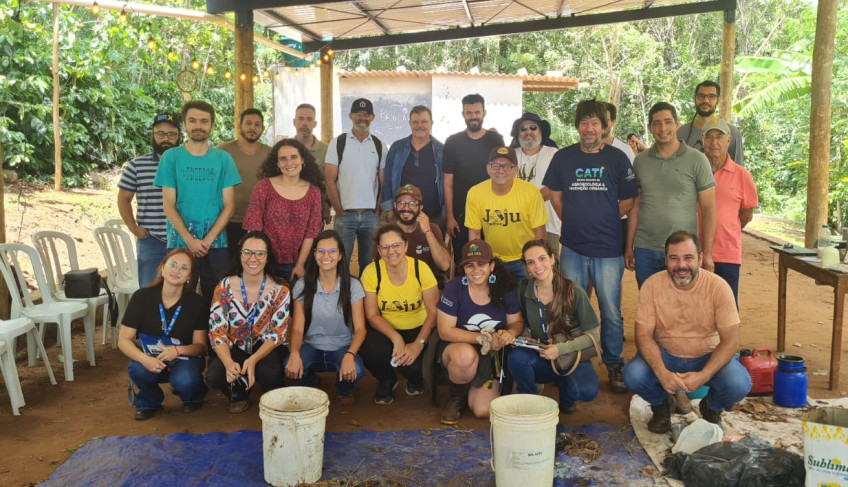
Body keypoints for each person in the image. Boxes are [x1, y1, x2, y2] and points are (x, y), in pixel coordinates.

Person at [543, 99, 638, 394]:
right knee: (570, 307)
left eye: (595, 123)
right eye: (584, 122)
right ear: (577, 126)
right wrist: (573, 220)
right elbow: (555, 195)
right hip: (573, 247)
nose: (589, 128)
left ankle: (613, 362)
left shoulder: (618, 159)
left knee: (610, 310)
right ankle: (575, 360)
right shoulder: (563, 157)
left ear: (604, 127)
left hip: (608, 249)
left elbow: (628, 201)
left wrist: (603, 218)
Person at [622, 230, 752, 433]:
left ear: (700, 258)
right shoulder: (652, 285)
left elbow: (731, 340)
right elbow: (643, 335)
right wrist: (662, 373)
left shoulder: (718, 287)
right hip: (666, 355)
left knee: (739, 384)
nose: (681, 265)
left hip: (707, 356)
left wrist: (703, 376)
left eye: (688, 258)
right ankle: (661, 405)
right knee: (633, 375)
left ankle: (711, 408)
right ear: (665, 259)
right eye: (674, 258)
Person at [153, 100, 242, 302]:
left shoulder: (224, 159)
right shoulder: (171, 157)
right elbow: (169, 205)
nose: (198, 126)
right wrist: (190, 240)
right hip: (180, 243)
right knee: (178, 299)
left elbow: (230, 206)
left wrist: (207, 240)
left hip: (216, 244)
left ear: (212, 125)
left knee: (219, 300)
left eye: (204, 121)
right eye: (192, 121)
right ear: (185, 124)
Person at [625, 102, 716, 288]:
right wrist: (629, 246)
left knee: (683, 302)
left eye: (668, 122)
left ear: (677, 124)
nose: (663, 128)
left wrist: (707, 253)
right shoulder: (640, 162)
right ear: (650, 128)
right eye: (657, 123)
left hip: (684, 251)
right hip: (646, 249)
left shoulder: (697, 160)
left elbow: (709, 209)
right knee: (650, 301)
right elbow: (636, 206)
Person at [508, 240, 600, 414]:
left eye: (542, 258)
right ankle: (530, 403)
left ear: (552, 259)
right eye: (531, 262)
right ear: (527, 267)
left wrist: (560, 349)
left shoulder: (573, 291)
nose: (537, 266)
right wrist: (527, 337)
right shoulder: (523, 290)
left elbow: (594, 335)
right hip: (542, 356)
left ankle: (567, 397)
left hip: (571, 357)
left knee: (585, 391)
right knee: (517, 358)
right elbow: (523, 323)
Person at [437, 239, 522, 424]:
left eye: (481, 264)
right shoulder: (454, 288)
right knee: (464, 357)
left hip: (491, 353)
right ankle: (457, 397)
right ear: (464, 268)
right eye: (470, 265)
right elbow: (444, 331)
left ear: (491, 266)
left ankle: (473, 387)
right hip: (458, 346)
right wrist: (483, 338)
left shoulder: (506, 288)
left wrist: (510, 333)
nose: (476, 270)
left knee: (483, 410)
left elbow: (516, 322)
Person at [117, 249, 208, 420]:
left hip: (183, 357)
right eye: (172, 265)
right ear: (163, 268)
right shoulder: (141, 297)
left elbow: (200, 346)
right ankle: (148, 401)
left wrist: (178, 351)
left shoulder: (197, 303)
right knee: (138, 369)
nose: (177, 270)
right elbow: (124, 340)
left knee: (184, 380)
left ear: (190, 276)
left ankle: (193, 396)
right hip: (150, 356)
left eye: (184, 268)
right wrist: (145, 359)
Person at [207, 231, 290, 413]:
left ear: (267, 257)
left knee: (269, 373)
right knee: (214, 376)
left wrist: (253, 359)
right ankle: (238, 393)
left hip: (266, 346)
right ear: (240, 254)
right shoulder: (224, 286)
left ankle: (270, 391)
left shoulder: (280, 289)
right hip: (235, 344)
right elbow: (217, 331)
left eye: (260, 253)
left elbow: (277, 334)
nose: (253, 259)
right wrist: (228, 362)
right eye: (247, 252)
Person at [359, 224, 439, 405]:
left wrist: (418, 344)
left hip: (418, 327)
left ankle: (415, 379)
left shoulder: (420, 268)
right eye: (385, 247)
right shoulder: (372, 271)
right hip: (386, 329)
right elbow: (372, 315)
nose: (391, 251)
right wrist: (396, 338)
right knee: (370, 349)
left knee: (414, 367)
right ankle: (386, 379)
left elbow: (433, 312)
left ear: (405, 245)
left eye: (396, 245)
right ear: (379, 250)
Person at [285, 230, 367, 405]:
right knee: (289, 366)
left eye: (332, 251)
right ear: (314, 254)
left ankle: (344, 389)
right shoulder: (302, 285)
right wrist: (294, 353)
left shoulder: (353, 286)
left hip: (342, 347)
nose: (326, 256)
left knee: (358, 370)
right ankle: (310, 382)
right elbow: (297, 328)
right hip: (311, 346)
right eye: (320, 251)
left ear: (340, 255)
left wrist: (350, 354)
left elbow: (360, 329)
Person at [243, 139, 324, 281]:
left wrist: (300, 265)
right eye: (283, 159)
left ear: (303, 160)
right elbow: (253, 228)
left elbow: (311, 232)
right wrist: (258, 260)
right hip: (265, 262)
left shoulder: (314, 192)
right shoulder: (264, 187)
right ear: (277, 163)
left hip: (299, 263)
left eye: (294, 157)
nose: (289, 162)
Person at [325, 98, 388, 275]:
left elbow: (383, 182)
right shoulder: (338, 143)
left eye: (366, 115)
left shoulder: (380, 146)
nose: (362, 118)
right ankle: (345, 294)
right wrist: (339, 211)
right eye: (358, 114)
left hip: (370, 217)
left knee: (369, 267)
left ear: (372, 117)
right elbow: (329, 180)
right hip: (345, 215)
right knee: (340, 265)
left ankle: (366, 294)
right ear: (351, 116)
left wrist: (377, 212)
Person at [118, 112, 181, 287]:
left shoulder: (188, 165)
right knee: (149, 290)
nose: (165, 138)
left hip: (183, 239)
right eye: (160, 133)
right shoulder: (137, 166)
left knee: (182, 292)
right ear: (153, 135)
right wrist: (133, 227)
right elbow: (123, 199)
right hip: (151, 240)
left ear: (179, 136)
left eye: (171, 134)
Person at [466, 146, 547, 280]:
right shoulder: (475, 193)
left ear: (516, 170)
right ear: (488, 168)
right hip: (493, 259)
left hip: (523, 259)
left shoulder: (531, 193)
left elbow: (540, 232)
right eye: (495, 165)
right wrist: (480, 263)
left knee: (527, 293)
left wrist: (534, 262)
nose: (501, 170)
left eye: (507, 166)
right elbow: (474, 234)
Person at [701, 118, 758, 304]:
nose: (714, 142)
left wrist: (726, 229)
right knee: (697, 307)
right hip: (695, 251)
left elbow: (746, 215)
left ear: (729, 141)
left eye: (719, 137)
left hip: (727, 253)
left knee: (727, 306)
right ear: (702, 141)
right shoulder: (693, 172)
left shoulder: (742, 175)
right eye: (709, 137)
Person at [443, 94, 505, 263]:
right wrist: (450, 216)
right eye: (469, 113)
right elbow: (447, 182)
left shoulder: (495, 140)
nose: (473, 116)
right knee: (465, 260)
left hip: (492, 213)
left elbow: (502, 175)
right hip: (461, 214)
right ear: (463, 114)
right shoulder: (452, 142)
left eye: (477, 112)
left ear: (484, 113)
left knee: (493, 260)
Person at [217, 108, 272, 256]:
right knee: (228, 264)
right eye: (248, 123)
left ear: (262, 129)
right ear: (239, 125)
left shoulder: (271, 154)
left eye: (257, 124)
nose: (252, 128)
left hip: (260, 222)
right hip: (228, 221)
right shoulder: (222, 152)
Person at [381, 105, 446, 231]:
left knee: (434, 244)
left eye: (424, 122)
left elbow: (447, 184)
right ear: (410, 124)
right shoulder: (397, 148)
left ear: (431, 123)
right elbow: (387, 181)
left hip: (434, 218)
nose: (419, 125)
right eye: (415, 122)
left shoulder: (441, 150)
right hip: (402, 218)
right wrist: (390, 214)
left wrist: (444, 215)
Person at [510, 112, 561, 252]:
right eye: (523, 128)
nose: (528, 132)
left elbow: (555, 187)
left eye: (533, 127)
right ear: (518, 134)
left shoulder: (553, 154)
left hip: (548, 225)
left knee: (549, 263)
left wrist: (528, 202)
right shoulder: (511, 155)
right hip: (516, 224)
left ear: (541, 131)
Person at [391, 184, 451, 289]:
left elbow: (445, 265)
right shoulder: (387, 232)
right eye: (401, 203)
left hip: (429, 288)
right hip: (397, 288)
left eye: (412, 204)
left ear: (420, 208)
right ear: (395, 206)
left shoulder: (432, 228)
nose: (406, 208)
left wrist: (428, 232)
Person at [677, 80, 744, 166]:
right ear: (695, 98)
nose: (705, 100)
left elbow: (737, 168)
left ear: (718, 100)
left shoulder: (732, 133)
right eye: (701, 96)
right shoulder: (681, 133)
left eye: (711, 96)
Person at [293, 103, 331, 224]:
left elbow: (331, 181)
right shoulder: (285, 148)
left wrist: (327, 204)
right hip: (288, 212)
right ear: (294, 122)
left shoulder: (327, 150)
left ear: (315, 124)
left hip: (316, 213)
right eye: (301, 119)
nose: (305, 123)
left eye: (309, 119)